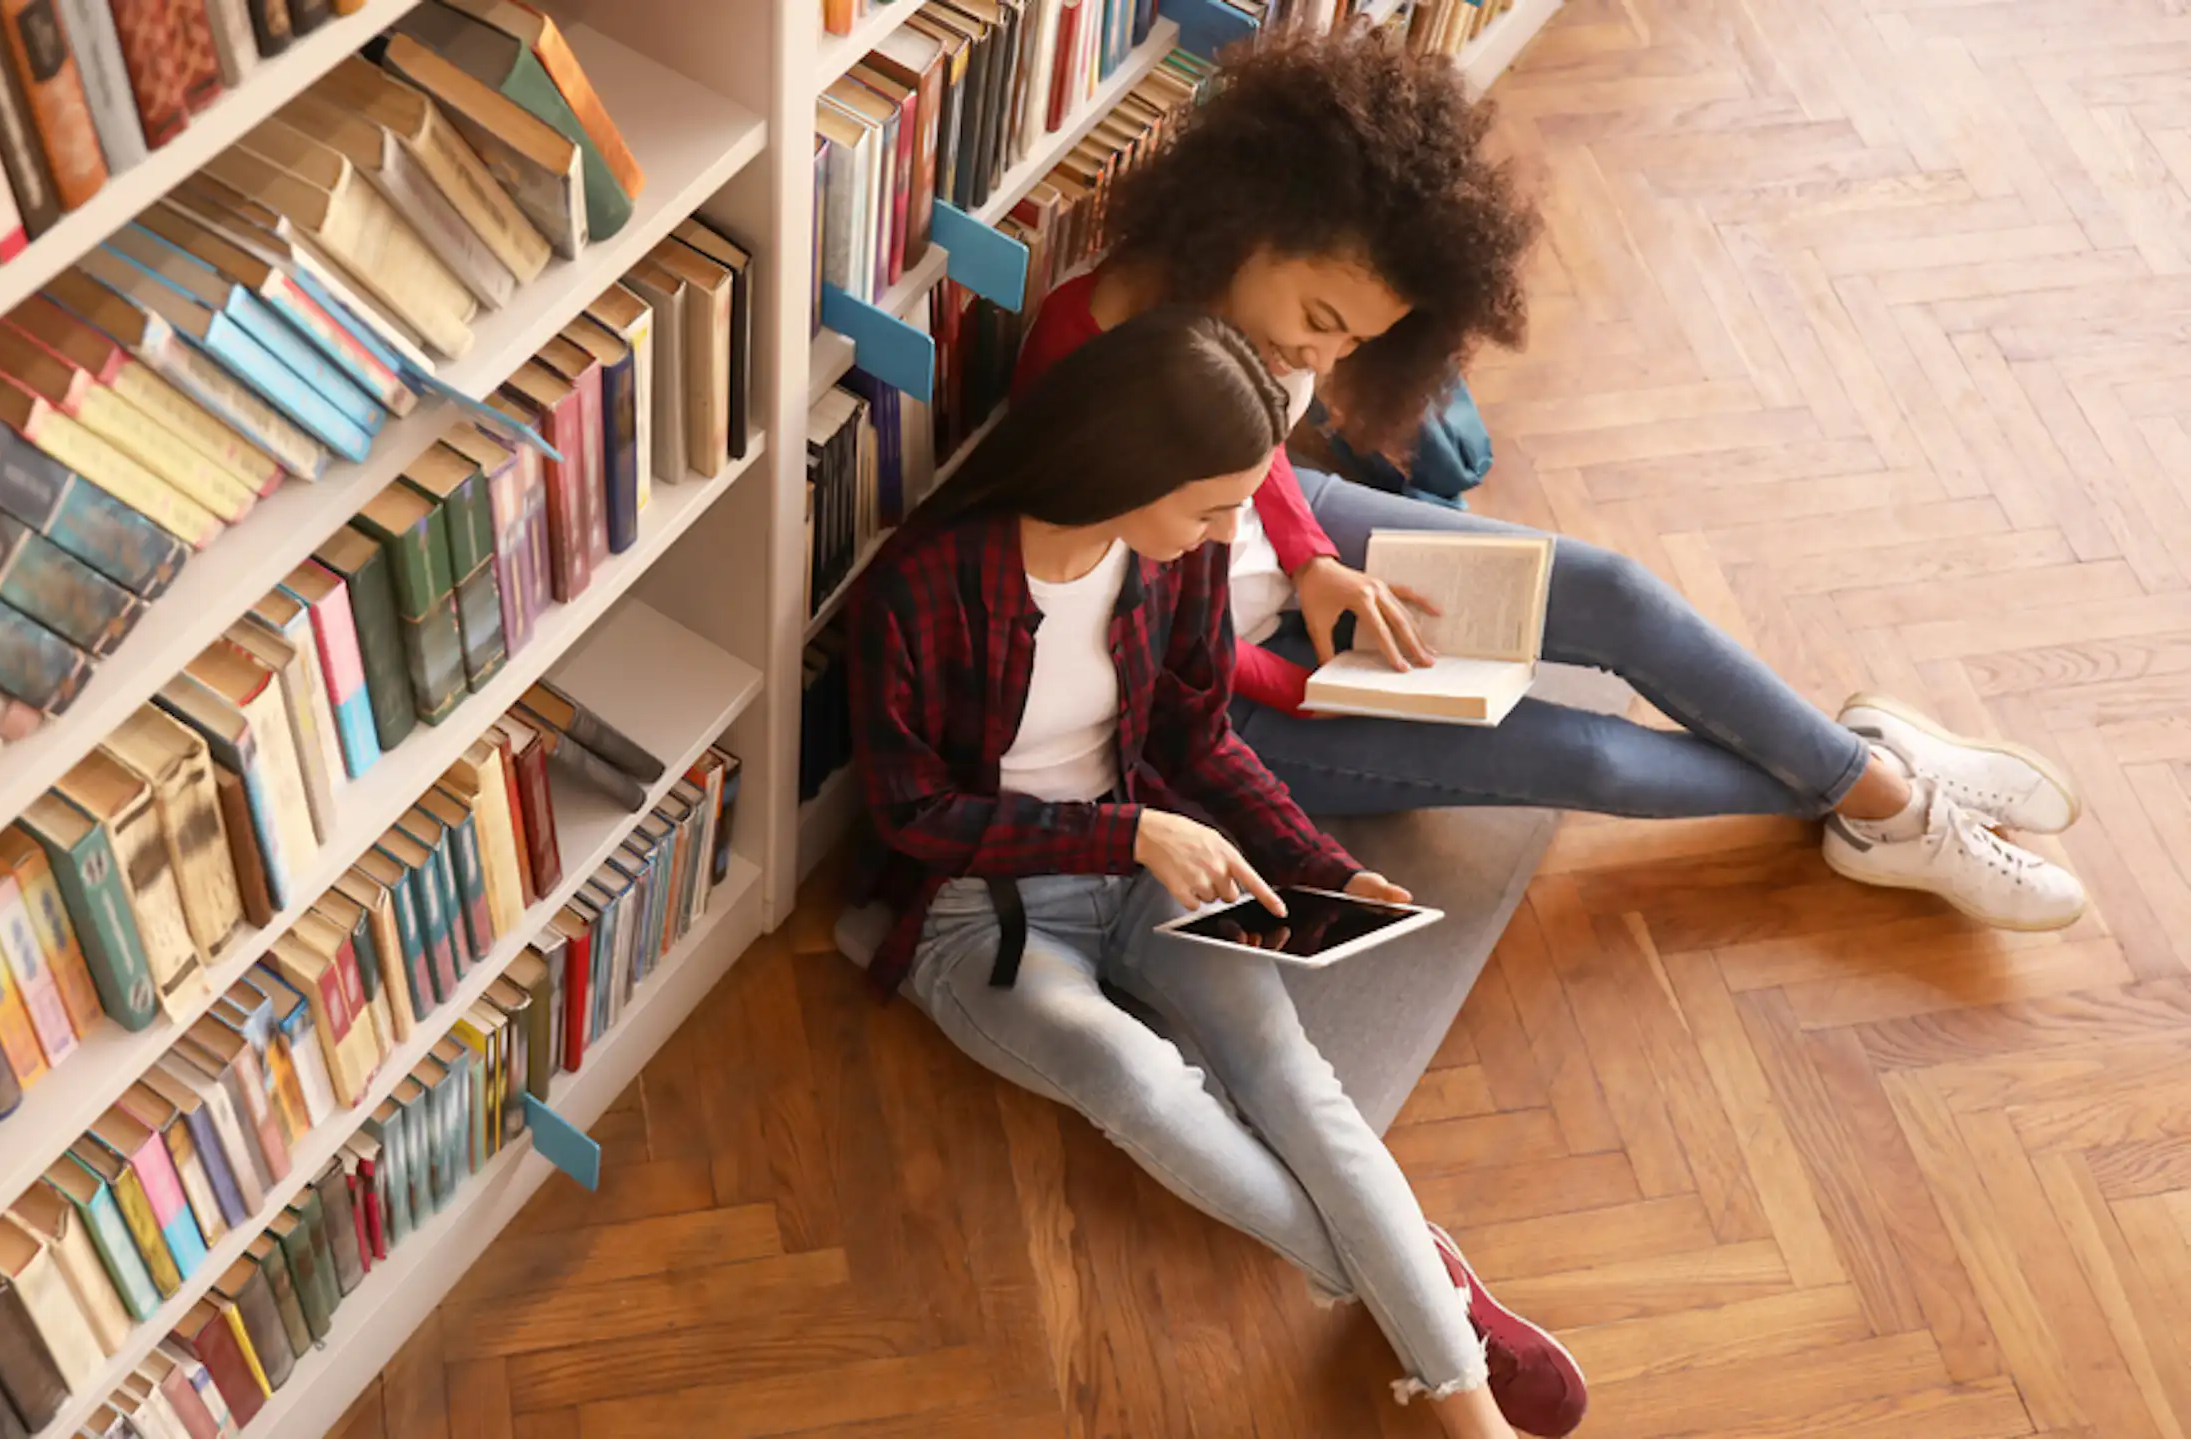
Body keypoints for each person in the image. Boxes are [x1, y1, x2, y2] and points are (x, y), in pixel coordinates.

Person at [1008, 28, 2086, 932]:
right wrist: (1315, 686)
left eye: (1355, 342)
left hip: (1275, 569)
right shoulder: (1090, 364)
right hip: (1209, 694)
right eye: (1320, 323)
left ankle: (1876, 788)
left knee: (1612, 592)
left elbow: (1261, 457)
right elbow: (1133, 636)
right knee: (1587, 757)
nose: (1320, 361)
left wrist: (1316, 560)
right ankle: (1889, 798)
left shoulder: (1260, 316)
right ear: (1240, 228)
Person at [850, 306, 1587, 1439]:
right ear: (1127, 466)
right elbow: (913, 815)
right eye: (1212, 505)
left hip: (1158, 853)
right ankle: (1428, 1304)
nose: (1231, 532)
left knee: (1289, 1076)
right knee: (1139, 1083)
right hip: (980, 911)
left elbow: (1196, 739)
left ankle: (1448, 1372)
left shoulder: (1174, 560)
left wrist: (1318, 861)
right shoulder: (923, 583)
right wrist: (1125, 837)